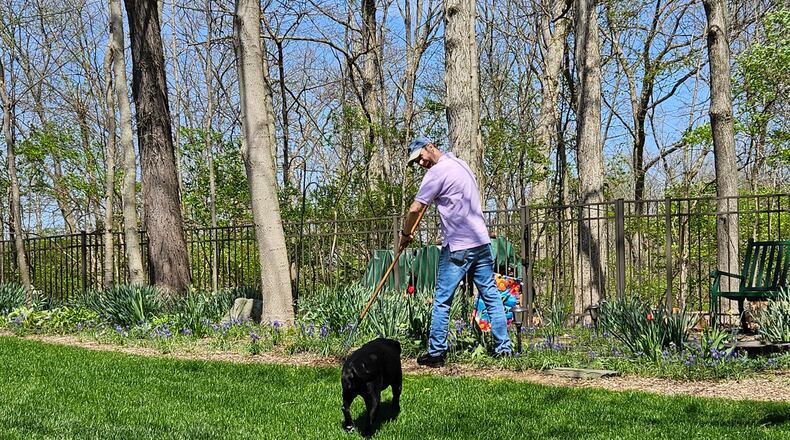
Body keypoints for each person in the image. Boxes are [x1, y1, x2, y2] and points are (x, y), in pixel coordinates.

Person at [400, 136, 512, 368]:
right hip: (481, 242)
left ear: (430, 147)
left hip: (459, 248)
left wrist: (406, 233)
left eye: (420, 158)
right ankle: (504, 350)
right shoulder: (461, 165)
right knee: (491, 295)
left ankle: (436, 353)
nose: (421, 164)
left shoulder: (436, 173)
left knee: (442, 300)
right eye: (416, 162)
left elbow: (416, 208)